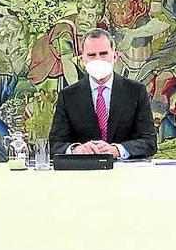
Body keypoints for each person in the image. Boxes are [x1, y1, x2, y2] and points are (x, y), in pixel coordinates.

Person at [48, 28, 157, 159]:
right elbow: (55, 144)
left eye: (103, 54)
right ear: (82, 59)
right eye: (91, 55)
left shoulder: (136, 91)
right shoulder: (68, 96)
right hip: (83, 169)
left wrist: (117, 150)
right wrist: (76, 149)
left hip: (124, 170)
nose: (98, 59)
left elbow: (149, 142)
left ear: (115, 56)